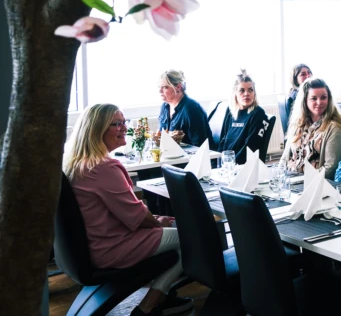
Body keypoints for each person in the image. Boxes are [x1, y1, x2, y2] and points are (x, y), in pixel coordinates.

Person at [63, 104, 192, 316]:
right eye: (117, 124)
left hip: (93, 245)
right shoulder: (104, 168)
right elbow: (137, 216)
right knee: (189, 239)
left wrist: (153, 220)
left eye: (124, 122)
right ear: (97, 130)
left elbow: (123, 212)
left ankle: (161, 298)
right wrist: (157, 222)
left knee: (172, 232)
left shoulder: (77, 163)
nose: (124, 128)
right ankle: (148, 307)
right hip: (111, 248)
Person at [281, 78, 341, 179]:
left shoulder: (336, 128)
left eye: (323, 97)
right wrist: (279, 175)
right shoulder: (299, 123)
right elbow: (284, 159)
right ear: (305, 101)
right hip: (291, 181)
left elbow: (331, 169)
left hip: (315, 186)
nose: (319, 102)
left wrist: (300, 180)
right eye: (314, 98)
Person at [216, 70, 271, 164]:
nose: (246, 94)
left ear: (254, 93)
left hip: (242, 166)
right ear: (235, 94)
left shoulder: (258, 114)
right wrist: (217, 162)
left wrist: (231, 165)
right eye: (242, 90)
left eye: (250, 90)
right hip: (226, 165)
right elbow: (223, 141)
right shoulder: (230, 111)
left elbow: (250, 148)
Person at [157, 70, 212, 147]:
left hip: (191, 156)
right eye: (159, 87)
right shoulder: (164, 106)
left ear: (178, 87)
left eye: (165, 87)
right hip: (172, 154)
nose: (160, 91)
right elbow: (161, 138)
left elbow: (200, 145)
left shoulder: (191, 109)